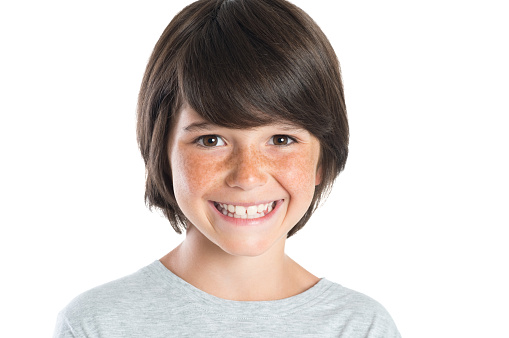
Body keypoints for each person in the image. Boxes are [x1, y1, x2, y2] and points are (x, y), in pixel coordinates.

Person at [54, 0, 400, 336]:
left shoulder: (360, 327)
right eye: (211, 140)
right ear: (162, 154)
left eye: (281, 140)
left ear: (322, 160)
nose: (247, 177)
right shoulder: (97, 325)